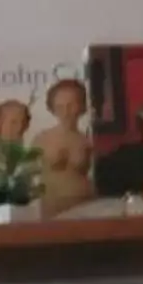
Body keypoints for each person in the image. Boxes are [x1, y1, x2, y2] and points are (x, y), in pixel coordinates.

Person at [35, 76, 96, 214]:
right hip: (53, 206)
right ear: (52, 107)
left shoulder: (85, 140)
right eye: (60, 106)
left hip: (84, 203)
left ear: (81, 106)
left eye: (71, 105)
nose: (66, 111)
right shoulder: (43, 138)